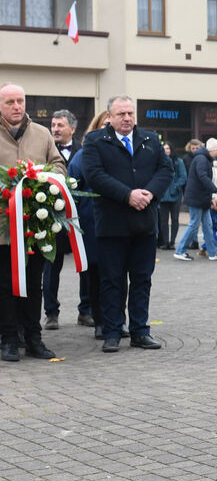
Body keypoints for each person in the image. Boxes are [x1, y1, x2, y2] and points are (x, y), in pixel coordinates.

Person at [81, 94, 172, 353]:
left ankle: (140, 331)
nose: (127, 118)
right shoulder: (95, 140)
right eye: (121, 114)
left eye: (130, 113)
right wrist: (127, 195)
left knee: (142, 279)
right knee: (112, 280)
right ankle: (112, 332)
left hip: (144, 223)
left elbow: (165, 170)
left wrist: (150, 193)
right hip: (112, 224)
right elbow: (95, 175)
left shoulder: (150, 139)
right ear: (109, 117)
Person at [0, 83, 65, 361]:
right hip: (3, 229)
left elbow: (59, 165)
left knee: (33, 284)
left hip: (34, 228)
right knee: (4, 285)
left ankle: (34, 338)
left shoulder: (42, 133)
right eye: (10, 102)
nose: (17, 106)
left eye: (21, 101)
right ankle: (9, 340)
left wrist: (45, 179)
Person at [68, 111, 117, 341]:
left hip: (118, 222)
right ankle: (99, 321)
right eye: (105, 125)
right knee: (96, 275)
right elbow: (73, 190)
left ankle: (118, 319)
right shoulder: (81, 157)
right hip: (91, 223)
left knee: (118, 275)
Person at [43, 109, 91, 331]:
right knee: (51, 267)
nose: (55, 129)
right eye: (53, 125)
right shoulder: (45, 151)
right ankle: (51, 313)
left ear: (73, 128)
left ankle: (86, 310)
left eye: (60, 125)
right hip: (53, 219)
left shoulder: (85, 152)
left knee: (86, 266)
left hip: (81, 220)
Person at [174, 138, 217, 262]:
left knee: (207, 225)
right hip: (196, 198)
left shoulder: (203, 158)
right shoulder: (202, 159)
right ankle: (180, 250)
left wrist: (210, 198)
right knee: (194, 224)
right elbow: (202, 177)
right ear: (212, 150)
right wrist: (215, 190)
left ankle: (213, 252)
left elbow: (202, 179)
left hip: (201, 198)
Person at [157, 142, 187, 250]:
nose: (166, 150)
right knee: (163, 220)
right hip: (163, 195)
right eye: (164, 148)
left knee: (175, 219)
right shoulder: (159, 161)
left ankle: (173, 241)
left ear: (171, 150)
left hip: (175, 195)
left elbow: (183, 177)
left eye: (168, 148)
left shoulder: (178, 162)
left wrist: (176, 187)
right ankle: (165, 242)